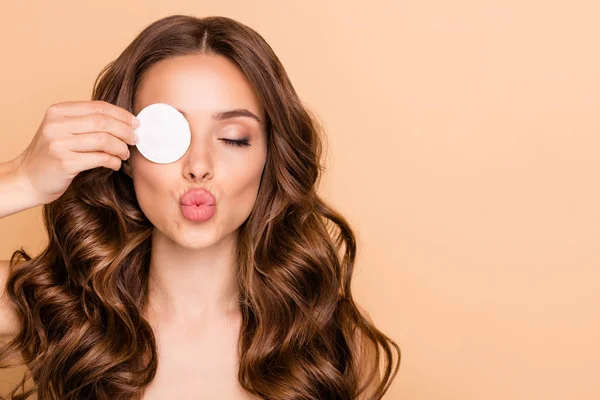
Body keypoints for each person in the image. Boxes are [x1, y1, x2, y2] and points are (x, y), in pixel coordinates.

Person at [0, 14, 401, 399]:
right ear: (126, 156)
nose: (199, 167)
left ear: (269, 158)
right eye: (168, 136)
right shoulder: (55, 310)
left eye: (233, 138)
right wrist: (21, 179)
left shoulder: (329, 342)